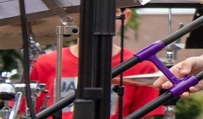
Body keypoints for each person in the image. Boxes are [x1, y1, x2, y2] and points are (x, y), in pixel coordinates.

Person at [28, 8, 165, 118]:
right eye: (89, 10)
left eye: (112, 11)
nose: (99, 18)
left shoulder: (141, 66)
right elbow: (26, 112)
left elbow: (145, 116)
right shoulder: (43, 63)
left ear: (126, 16)